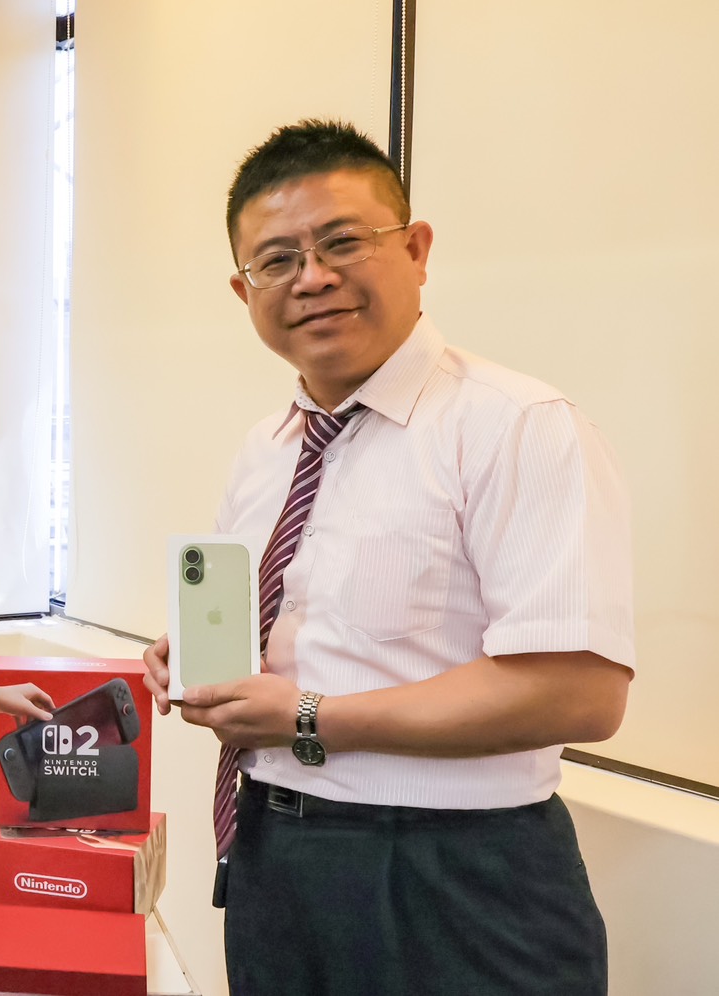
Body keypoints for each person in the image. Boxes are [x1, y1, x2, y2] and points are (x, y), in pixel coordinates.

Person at [142, 120, 634, 995]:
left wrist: (307, 715)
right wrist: (208, 665)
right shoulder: (266, 449)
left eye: (342, 242)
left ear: (416, 250)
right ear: (244, 290)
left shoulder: (516, 426)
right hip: (272, 857)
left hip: (457, 875)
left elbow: (579, 691)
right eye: (277, 260)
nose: (312, 277)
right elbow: (321, 642)